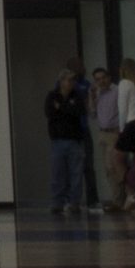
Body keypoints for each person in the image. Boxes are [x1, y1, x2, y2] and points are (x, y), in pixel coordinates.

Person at [42, 64, 87, 214]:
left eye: (73, 80)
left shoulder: (78, 96)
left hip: (75, 140)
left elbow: (78, 112)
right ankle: (57, 202)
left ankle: (74, 202)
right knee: (58, 173)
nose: (71, 83)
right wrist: (66, 108)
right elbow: (50, 113)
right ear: (61, 81)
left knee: (76, 174)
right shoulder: (52, 96)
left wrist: (61, 107)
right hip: (58, 140)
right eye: (68, 80)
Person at [112, 58, 135, 210]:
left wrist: (121, 130)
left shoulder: (124, 84)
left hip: (131, 124)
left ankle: (131, 191)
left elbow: (122, 109)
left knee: (117, 158)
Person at [88, 64, 124, 209]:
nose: (101, 82)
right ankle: (117, 198)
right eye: (98, 79)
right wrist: (92, 97)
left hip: (114, 132)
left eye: (103, 78)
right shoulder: (97, 93)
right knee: (108, 169)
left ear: (109, 78)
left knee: (114, 166)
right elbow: (92, 113)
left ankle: (120, 199)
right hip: (103, 133)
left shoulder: (117, 91)